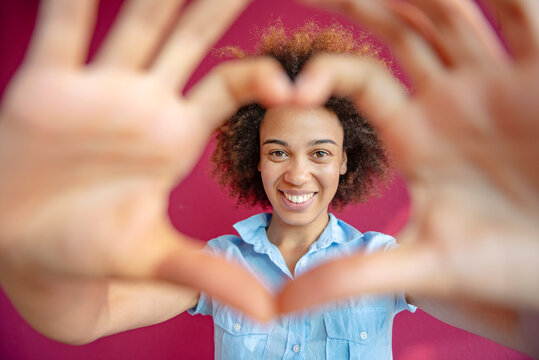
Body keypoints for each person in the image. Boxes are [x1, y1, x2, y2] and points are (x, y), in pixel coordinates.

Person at [0, 0, 537, 356]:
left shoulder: (389, 262)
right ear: (254, 160)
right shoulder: (213, 264)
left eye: (321, 152)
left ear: (348, 161)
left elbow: (523, 329)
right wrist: (29, 258)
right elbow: (86, 316)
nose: (297, 172)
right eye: (276, 151)